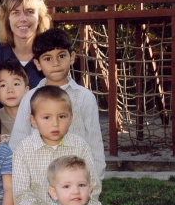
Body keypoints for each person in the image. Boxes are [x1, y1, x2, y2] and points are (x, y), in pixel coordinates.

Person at [9, 27, 106, 179]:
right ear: (38, 64)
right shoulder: (29, 98)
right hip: (38, 179)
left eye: (61, 56)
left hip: (75, 181)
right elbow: (17, 144)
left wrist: (94, 185)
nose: (55, 63)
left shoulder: (85, 97)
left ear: (72, 57)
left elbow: (95, 146)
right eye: (48, 58)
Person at [12, 86, 102, 205]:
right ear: (33, 120)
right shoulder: (23, 149)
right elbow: (21, 193)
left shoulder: (80, 146)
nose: (55, 124)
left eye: (61, 117)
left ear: (70, 118)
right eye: (46, 117)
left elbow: (93, 185)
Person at [0, 0, 52, 107]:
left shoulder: (51, 53)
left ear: (40, 18)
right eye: (16, 12)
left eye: (29, 12)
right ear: (7, 19)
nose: (23, 19)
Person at [0, 60, 29, 143]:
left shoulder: (36, 116)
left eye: (16, 84)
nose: (10, 90)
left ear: (27, 90)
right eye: (3, 85)